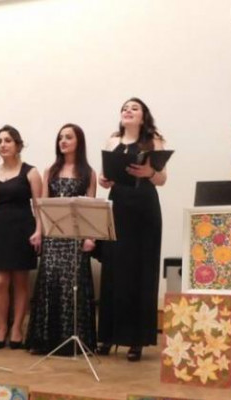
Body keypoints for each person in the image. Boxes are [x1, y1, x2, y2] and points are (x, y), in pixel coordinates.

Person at [97, 98, 168, 362]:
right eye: (125, 108)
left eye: (134, 108)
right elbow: (105, 178)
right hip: (118, 206)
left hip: (144, 208)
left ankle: (136, 340)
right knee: (114, 269)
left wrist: (149, 172)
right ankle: (108, 336)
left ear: (143, 116)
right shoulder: (113, 140)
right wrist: (104, 180)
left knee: (141, 270)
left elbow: (162, 179)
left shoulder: (154, 140)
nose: (128, 110)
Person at [25, 124, 97, 356]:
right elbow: (42, 205)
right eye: (60, 138)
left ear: (79, 142)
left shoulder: (89, 173)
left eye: (68, 137)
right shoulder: (51, 170)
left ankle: (72, 341)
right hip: (54, 236)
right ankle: (46, 340)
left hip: (75, 238)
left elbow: (91, 208)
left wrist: (90, 237)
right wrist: (38, 231)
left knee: (72, 286)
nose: (63, 141)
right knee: (50, 282)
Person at [0, 125, 42, 349]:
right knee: (0, 281)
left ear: (17, 144)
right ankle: (1, 328)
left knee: (20, 281)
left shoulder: (31, 172)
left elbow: (39, 206)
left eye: (7, 140)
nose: (3, 145)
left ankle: (17, 328)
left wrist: (39, 230)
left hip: (22, 229)